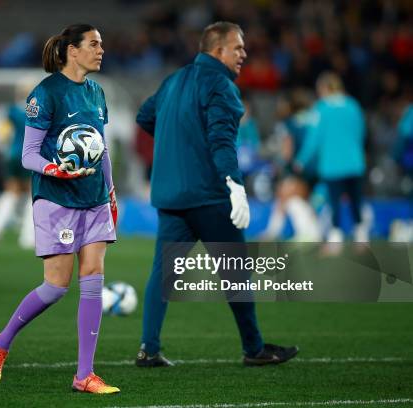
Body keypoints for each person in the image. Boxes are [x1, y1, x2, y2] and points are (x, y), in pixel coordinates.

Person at [135, 21, 298, 367]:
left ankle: (148, 349)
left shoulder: (173, 81)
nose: (244, 54)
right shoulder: (221, 85)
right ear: (217, 50)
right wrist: (235, 185)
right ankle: (254, 349)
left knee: (162, 274)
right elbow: (223, 141)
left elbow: (145, 116)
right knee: (236, 270)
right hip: (208, 196)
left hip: (170, 196)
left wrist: (178, 142)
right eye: (237, 48)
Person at [0, 24, 120, 394]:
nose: (101, 50)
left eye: (101, 44)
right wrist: (55, 169)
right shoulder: (45, 94)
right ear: (72, 51)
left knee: (93, 277)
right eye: (94, 44)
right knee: (56, 286)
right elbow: (28, 154)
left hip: (93, 197)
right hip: (56, 198)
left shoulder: (97, 92)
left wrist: (110, 190)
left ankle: (84, 375)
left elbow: (100, 147)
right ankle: (1, 342)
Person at [295, 72, 368, 243]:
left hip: (332, 165)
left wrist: (301, 160)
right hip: (355, 163)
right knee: (356, 202)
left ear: (324, 88)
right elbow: (361, 133)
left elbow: (313, 140)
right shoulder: (353, 105)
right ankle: (361, 238)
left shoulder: (321, 108)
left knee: (334, 203)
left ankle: (336, 239)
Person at [261, 88, 321, 241]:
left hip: (300, 166)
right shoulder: (315, 117)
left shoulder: (290, 122)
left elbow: (287, 150)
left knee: (284, 194)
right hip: (320, 167)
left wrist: (280, 164)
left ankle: (276, 232)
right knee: (298, 199)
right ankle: (309, 232)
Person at [0, 82, 35, 249]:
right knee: (34, 194)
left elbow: (2, 135)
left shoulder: (11, 110)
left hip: (12, 155)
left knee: (11, 193)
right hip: (29, 155)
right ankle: (28, 237)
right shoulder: (36, 110)